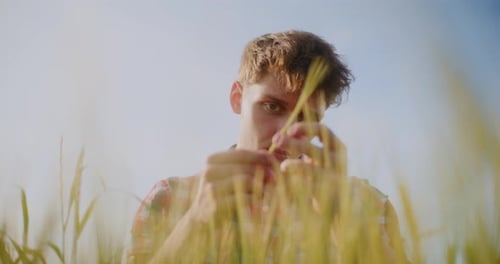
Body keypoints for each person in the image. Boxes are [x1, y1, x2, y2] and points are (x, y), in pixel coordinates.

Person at [128, 30, 407, 263]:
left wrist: (347, 225)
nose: (284, 133)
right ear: (237, 98)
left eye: (306, 118)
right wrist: (195, 222)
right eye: (271, 106)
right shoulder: (169, 199)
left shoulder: (370, 205)